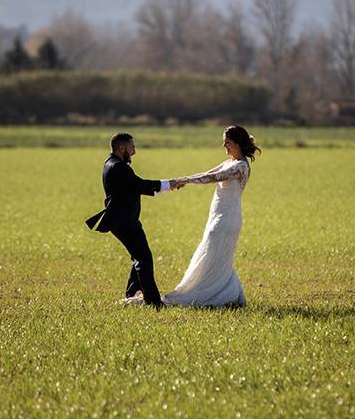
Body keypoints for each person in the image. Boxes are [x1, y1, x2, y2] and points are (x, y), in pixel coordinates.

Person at [163, 125, 260, 307]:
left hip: (227, 219)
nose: (224, 145)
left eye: (228, 142)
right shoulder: (229, 162)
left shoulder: (240, 166)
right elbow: (206, 173)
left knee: (214, 255)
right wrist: (182, 179)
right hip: (217, 215)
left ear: (238, 144)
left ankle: (209, 295)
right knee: (215, 255)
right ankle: (227, 295)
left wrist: (186, 180)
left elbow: (214, 178)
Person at [85, 133, 182, 309]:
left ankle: (132, 294)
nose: (135, 151)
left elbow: (133, 187)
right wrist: (169, 184)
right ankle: (153, 302)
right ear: (122, 148)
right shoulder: (119, 167)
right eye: (132, 147)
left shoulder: (111, 163)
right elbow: (139, 185)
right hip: (124, 221)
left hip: (123, 220)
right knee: (144, 258)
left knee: (139, 256)